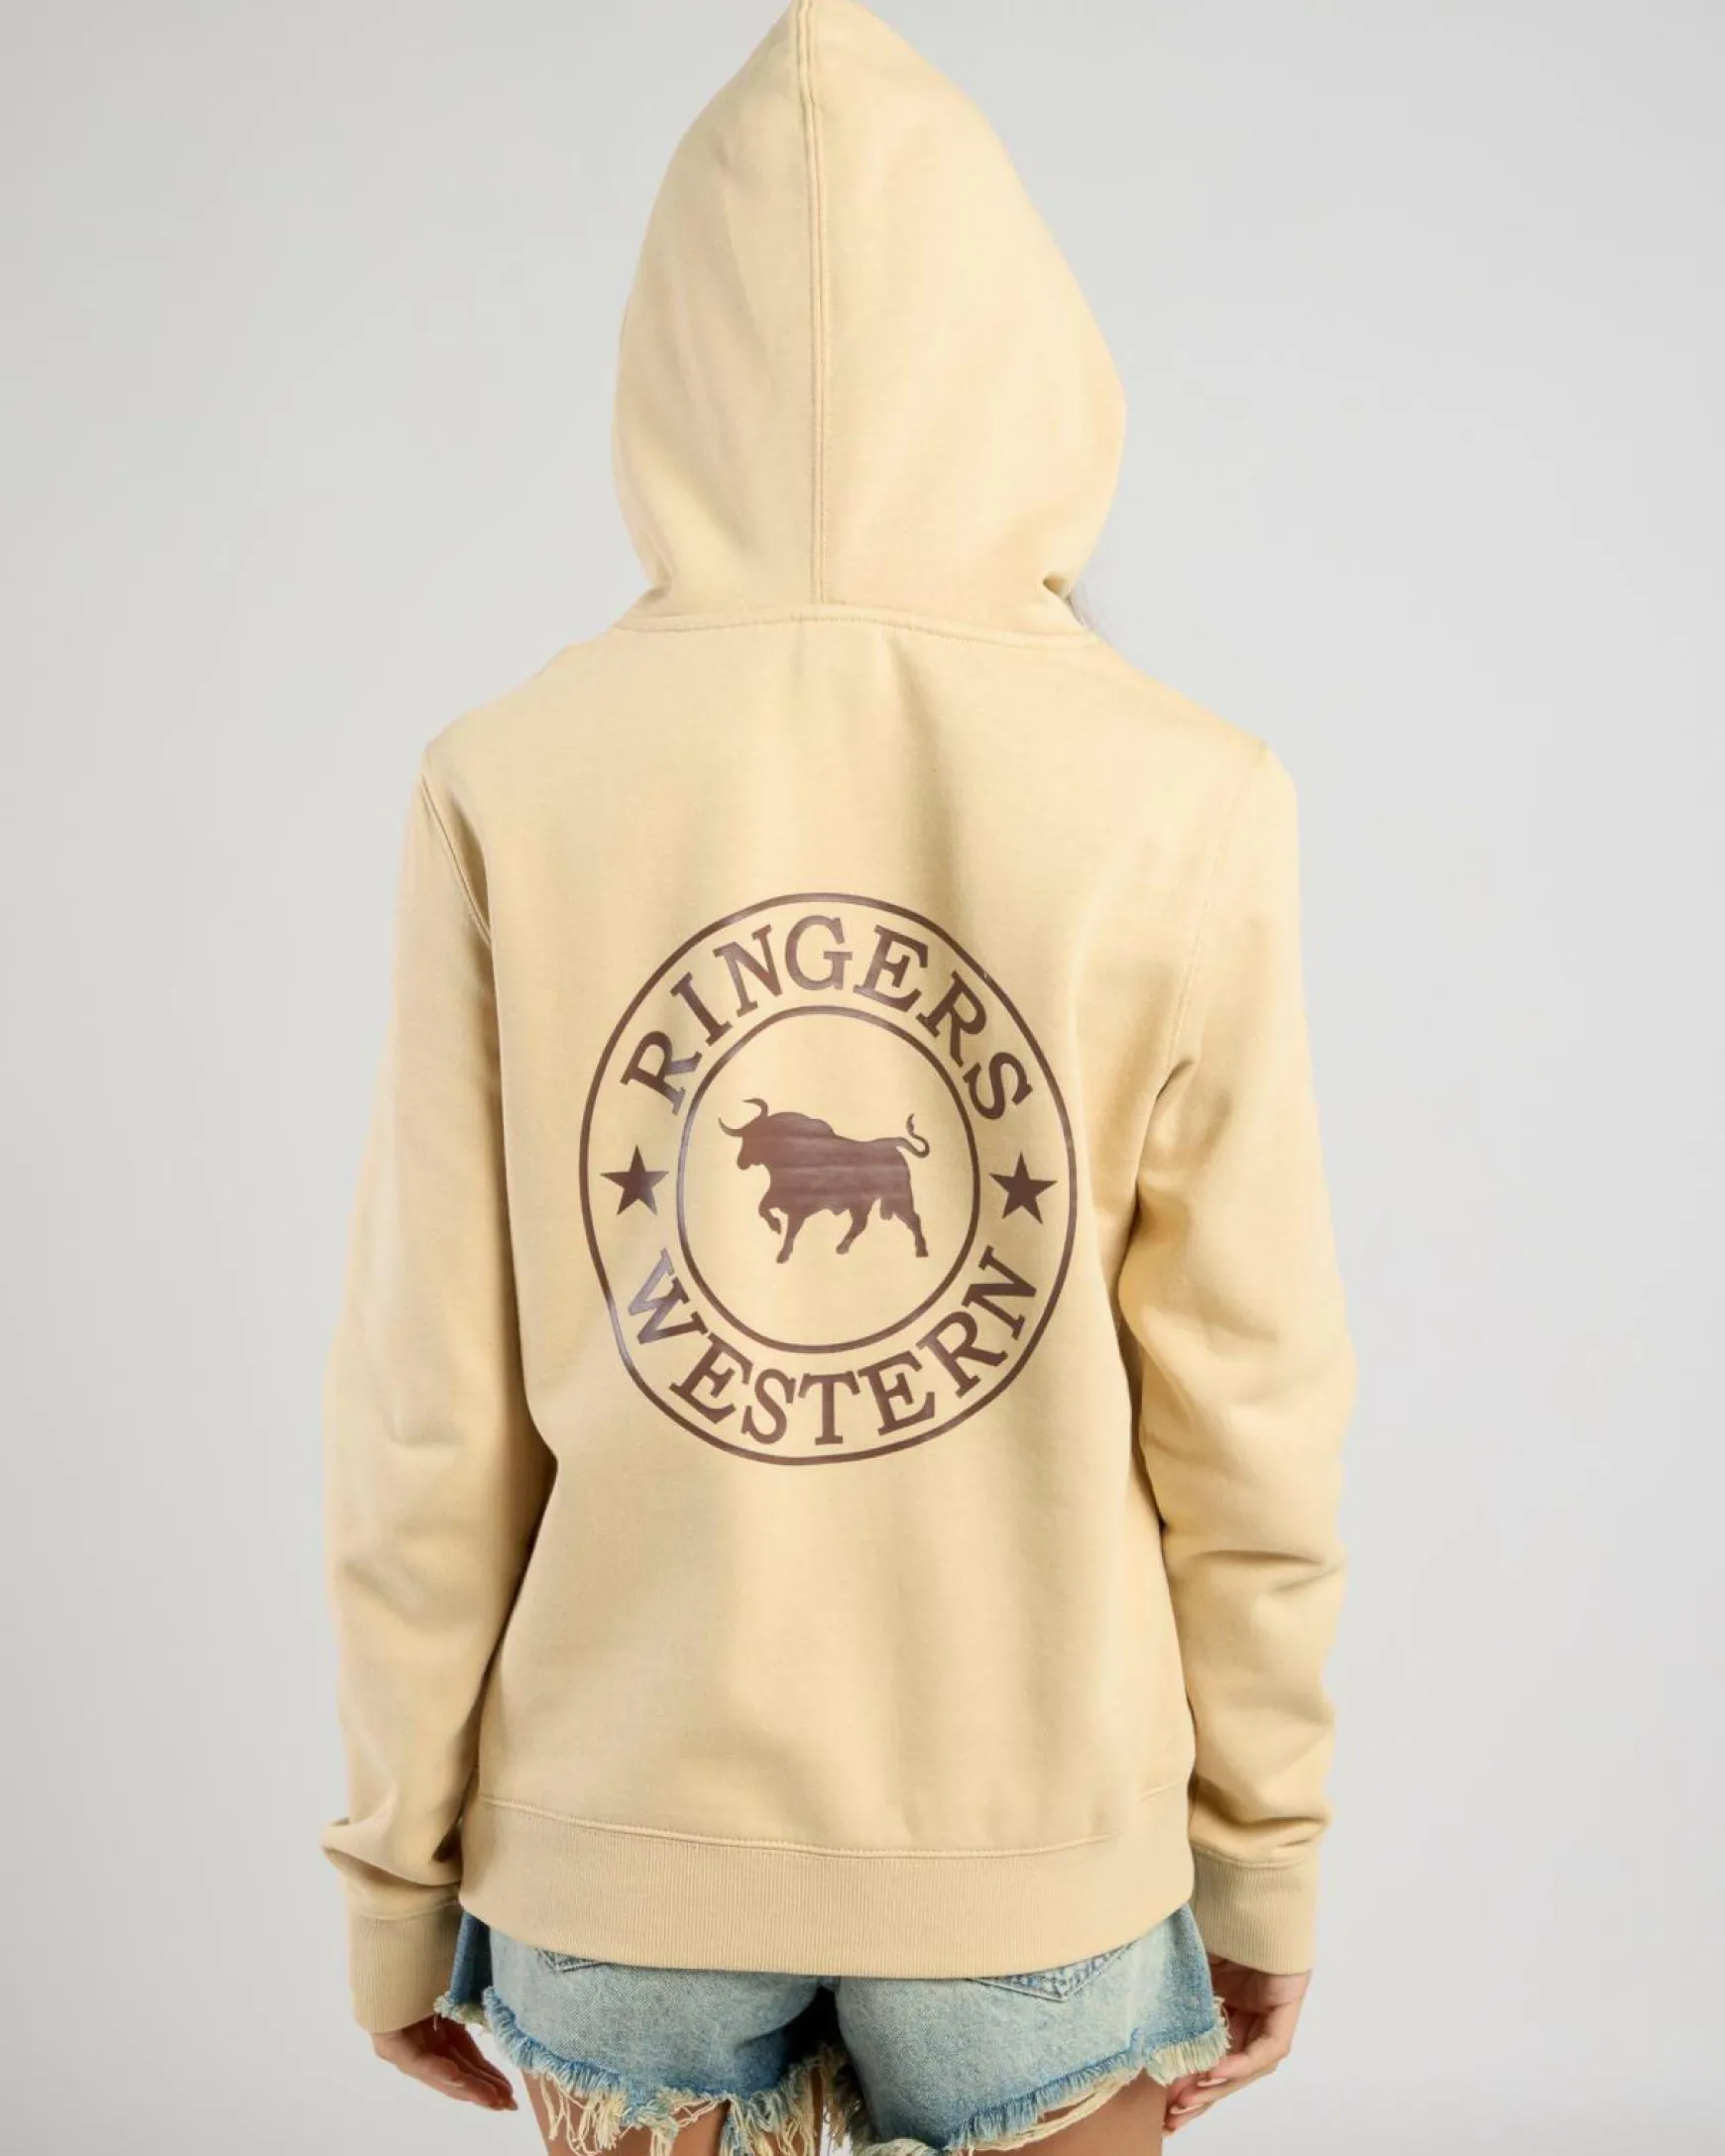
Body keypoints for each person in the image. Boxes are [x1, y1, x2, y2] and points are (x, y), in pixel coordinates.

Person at [319, 3, 1356, 2150]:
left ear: (667, 363)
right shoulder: (1188, 789)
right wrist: (1259, 1849)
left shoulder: (506, 776)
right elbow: (1250, 1396)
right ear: (1026, 348)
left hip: (622, 1837)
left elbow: (430, 1405)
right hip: (1031, 1846)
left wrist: (398, 1874)